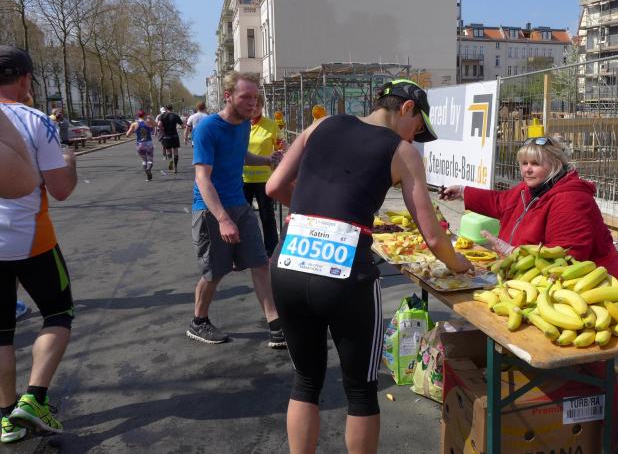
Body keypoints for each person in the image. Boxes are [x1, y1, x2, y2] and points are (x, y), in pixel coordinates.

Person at [266, 78, 472, 454]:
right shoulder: (402, 151)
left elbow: (274, 186)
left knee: (305, 381)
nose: (415, 137)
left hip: (288, 264)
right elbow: (433, 236)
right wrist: (459, 264)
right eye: (417, 128)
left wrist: (316, 217)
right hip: (346, 278)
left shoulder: (320, 125)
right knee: (360, 390)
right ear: (406, 108)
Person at [0, 46, 78, 443]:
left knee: (1, 332)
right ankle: (34, 399)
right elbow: (61, 189)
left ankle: (6, 417)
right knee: (58, 313)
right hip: (30, 239)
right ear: (26, 79)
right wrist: (69, 158)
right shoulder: (35, 120)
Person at [441, 135, 618, 290]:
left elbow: (566, 257)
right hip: (541, 281)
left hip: (598, 290)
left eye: (535, 163)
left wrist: (514, 253)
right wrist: (463, 192)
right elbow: (500, 202)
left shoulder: (571, 199)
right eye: (524, 163)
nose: (528, 170)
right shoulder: (529, 189)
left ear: (555, 164)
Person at [188, 71, 283, 348]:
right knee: (215, 272)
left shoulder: (243, 125)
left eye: (255, 97)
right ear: (228, 96)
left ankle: (275, 325)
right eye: (246, 97)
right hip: (211, 210)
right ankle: (199, 322)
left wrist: (266, 160)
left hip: (240, 205)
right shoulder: (208, 128)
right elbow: (202, 178)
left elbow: (241, 155)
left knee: (260, 263)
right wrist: (222, 219)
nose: (253, 103)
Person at [242, 96, 282, 259]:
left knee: (267, 216)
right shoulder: (240, 124)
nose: (255, 108)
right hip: (242, 178)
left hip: (264, 179)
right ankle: (242, 251)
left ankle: (271, 251)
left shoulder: (271, 125)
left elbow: (279, 148)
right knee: (242, 217)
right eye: (252, 105)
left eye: (258, 105)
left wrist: (280, 156)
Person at [126, 110, 156, 181]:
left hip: (140, 144)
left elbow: (127, 135)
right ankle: (149, 168)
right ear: (144, 115)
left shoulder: (134, 124)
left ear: (138, 116)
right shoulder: (148, 122)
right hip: (148, 143)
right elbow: (156, 125)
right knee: (150, 159)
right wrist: (151, 119)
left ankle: (147, 175)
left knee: (144, 160)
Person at [157, 104, 183, 173]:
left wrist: (162, 129)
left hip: (166, 136)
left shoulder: (162, 116)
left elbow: (159, 125)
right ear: (172, 108)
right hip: (175, 136)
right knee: (175, 151)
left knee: (168, 151)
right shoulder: (175, 116)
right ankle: (175, 167)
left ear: (166, 109)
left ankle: (170, 160)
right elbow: (182, 125)